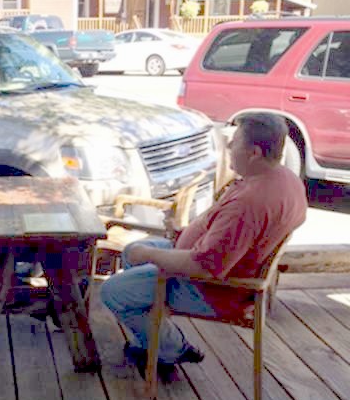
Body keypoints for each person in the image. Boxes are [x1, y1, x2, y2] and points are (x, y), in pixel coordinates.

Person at [100, 113, 308, 378]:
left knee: (113, 291)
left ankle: (172, 349)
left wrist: (150, 254)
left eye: (235, 142)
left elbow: (204, 267)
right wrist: (184, 235)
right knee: (131, 252)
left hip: (213, 290)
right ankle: (154, 344)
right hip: (213, 263)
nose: (229, 147)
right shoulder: (285, 178)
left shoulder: (249, 204)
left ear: (254, 153)